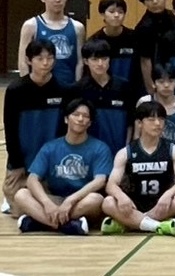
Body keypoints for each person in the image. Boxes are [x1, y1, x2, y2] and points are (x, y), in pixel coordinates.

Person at [14, 99, 111, 234]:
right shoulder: (50, 147)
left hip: (80, 200)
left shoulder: (100, 148)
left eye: (85, 116)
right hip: (55, 198)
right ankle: (65, 225)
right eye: (76, 114)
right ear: (66, 119)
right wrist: (47, 203)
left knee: (96, 199)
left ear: (89, 123)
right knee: (21, 195)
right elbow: (32, 179)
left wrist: (71, 200)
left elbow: (100, 181)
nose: (80, 119)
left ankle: (40, 222)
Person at [100, 102, 175, 235]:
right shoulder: (126, 152)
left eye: (161, 119)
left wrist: (168, 194)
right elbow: (111, 185)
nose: (157, 124)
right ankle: (158, 226)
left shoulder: (173, 150)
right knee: (108, 202)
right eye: (151, 119)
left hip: (162, 203)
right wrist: (121, 197)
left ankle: (131, 224)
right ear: (139, 123)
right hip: (134, 205)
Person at [3, 40, 67, 214]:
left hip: (51, 163)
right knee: (18, 204)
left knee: (43, 201)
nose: (45, 63)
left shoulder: (63, 90)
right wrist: (16, 163)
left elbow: (64, 131)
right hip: (22, 161)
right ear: (29, 60)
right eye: (39, 58)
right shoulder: (16, 90)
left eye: (50, 58)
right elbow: (10, 128)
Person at [18, 0, 85, 88]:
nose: (58, 0)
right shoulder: (31, 25)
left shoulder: (78, 27)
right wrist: (27, 88)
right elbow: (23, 61)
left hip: (68, 86)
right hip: (40, 87)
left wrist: (77, 87)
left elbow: (80, 62)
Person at [74, 39, 135, 156]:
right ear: (86, 61)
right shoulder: (78, 89)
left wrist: (126, 150)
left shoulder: (124, 87)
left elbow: (130, 123)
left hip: (119, 152)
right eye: (95, 59)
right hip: (88, 154)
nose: (100, 63)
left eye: (104, 58)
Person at [137, 64, 175, 156]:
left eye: (170, 81)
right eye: (161, 81)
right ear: (154, 83)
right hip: (147, 157)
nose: (166, 85)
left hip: (174, 158)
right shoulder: (144, 102)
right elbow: (137, 135)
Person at [136, 0, 175, 95]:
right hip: (156, 77)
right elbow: (145, 60)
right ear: (143, 2)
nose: (155, 1)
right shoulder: (143, 27)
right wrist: (150, 87)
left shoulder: (173, 18)